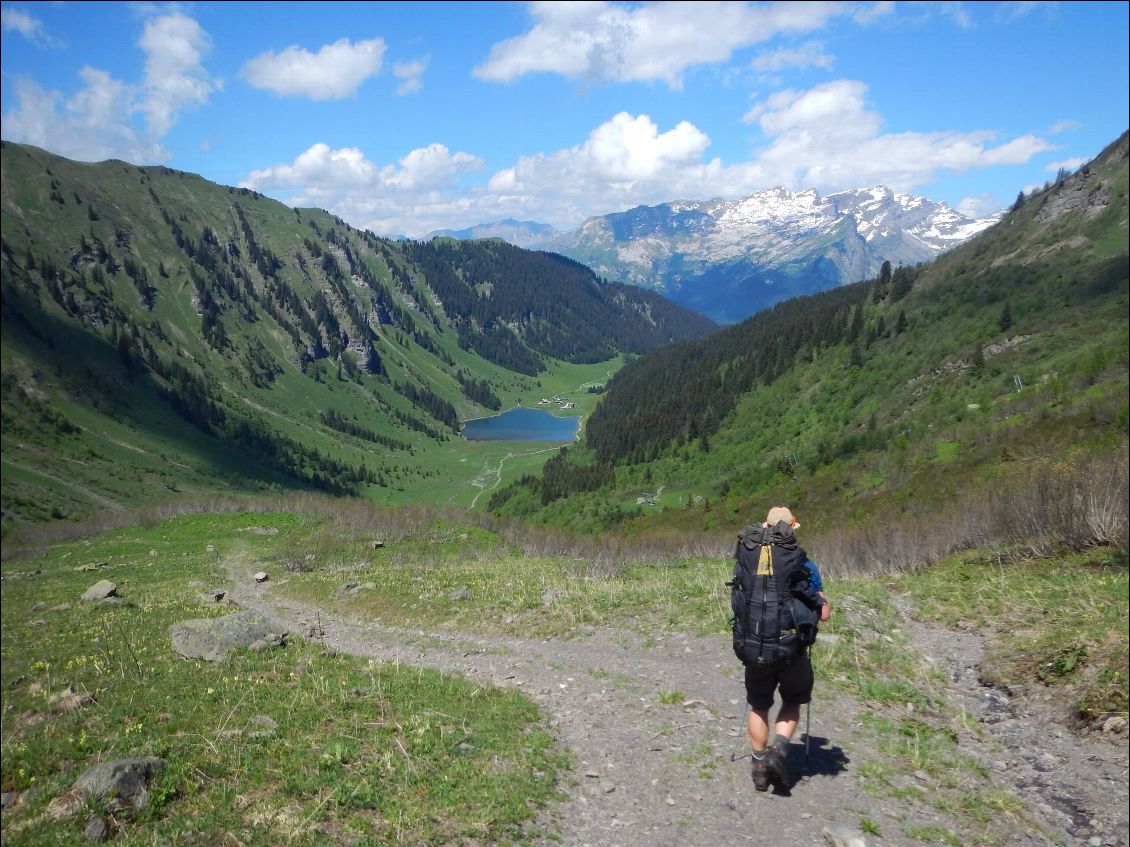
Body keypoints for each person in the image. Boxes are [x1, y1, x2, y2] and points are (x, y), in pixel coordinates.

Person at [742, 506, 830, 792]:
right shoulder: (804, 563)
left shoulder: (748, 558)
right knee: (792, 698)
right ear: (791, 530)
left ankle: (758, 766)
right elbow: (824, 613)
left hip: (754, 643)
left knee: (758, 703)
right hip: (790, 645)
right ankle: (778, 750)